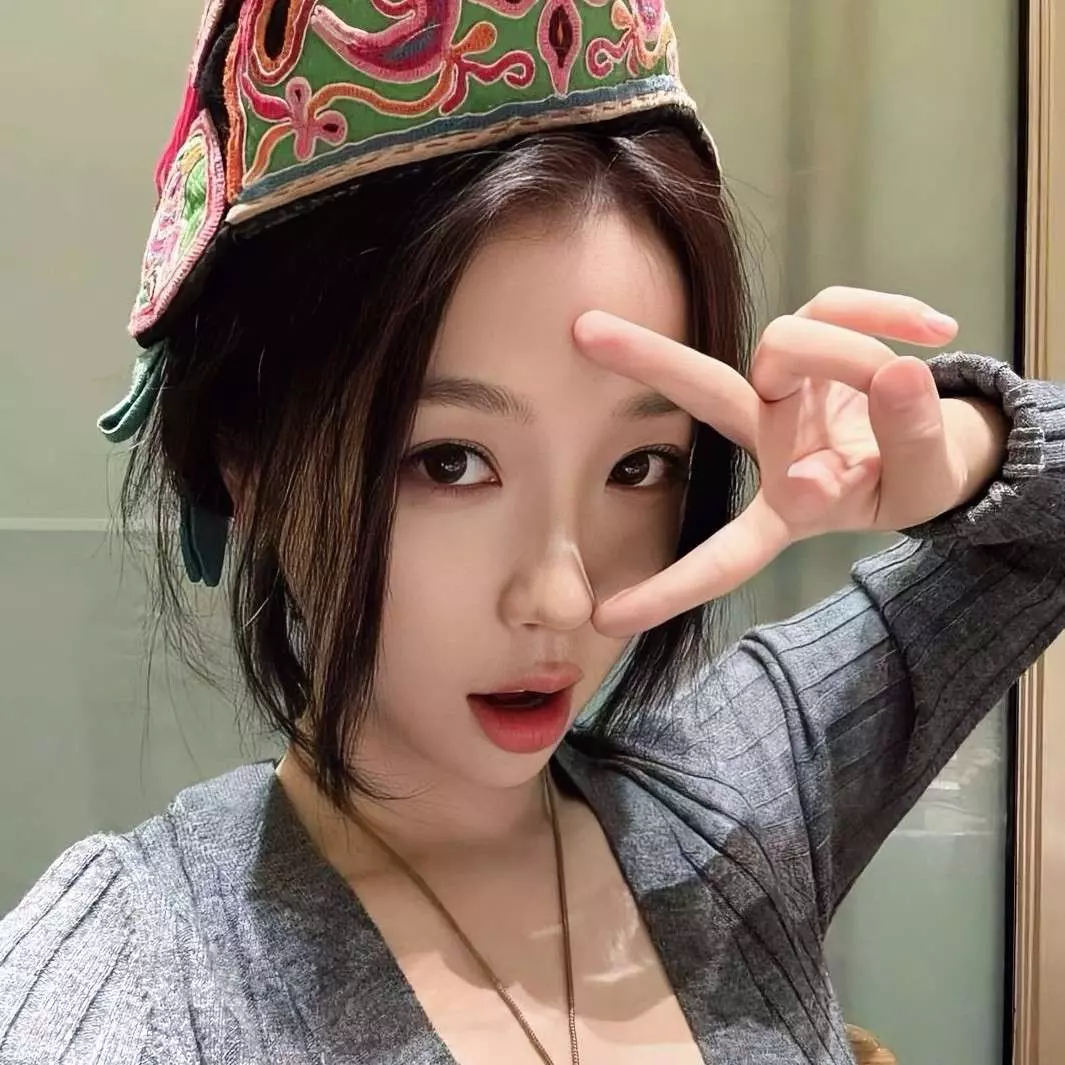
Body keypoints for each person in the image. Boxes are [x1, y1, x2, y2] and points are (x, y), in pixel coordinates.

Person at [1, 2, 1062, 1063]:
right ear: (251, 468)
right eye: (449, 462)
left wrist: (960, 452)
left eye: (638, 467)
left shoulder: (739, 791)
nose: (563, 598)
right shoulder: (146, 975)